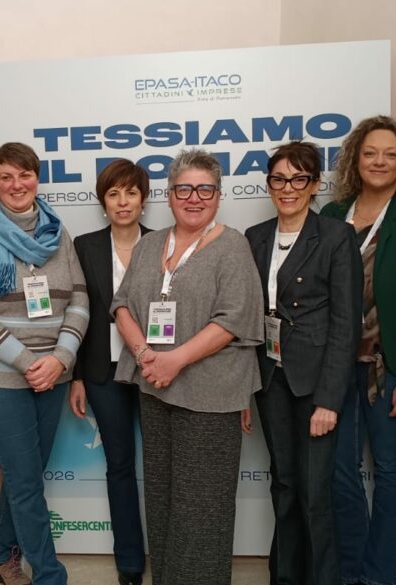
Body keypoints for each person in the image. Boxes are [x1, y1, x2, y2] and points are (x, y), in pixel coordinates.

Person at [112, 148, 263, 585]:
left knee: (202, 510)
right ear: (169, 194)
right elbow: (121, 305)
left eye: (205, 189)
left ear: (218, 195)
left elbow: (234, 319)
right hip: (155, 389)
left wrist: (175, 360)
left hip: (210, 397)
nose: (194, 198)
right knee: (162, 501)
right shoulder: (149, 244)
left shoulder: (233, 246)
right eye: (184, 189)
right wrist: (145, 356)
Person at [0, 142, 89, 585]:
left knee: (24, 474)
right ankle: (49, 575)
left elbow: (80, 299)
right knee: (25, 479)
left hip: (53, 373)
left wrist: (61, 358)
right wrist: (29, 361)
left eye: (25, 175)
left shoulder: (56, 231)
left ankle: (1, 555)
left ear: (37, 179)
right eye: (6, 176)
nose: (16, 184)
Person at [246, 141, 362, 585]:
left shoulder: (335, 236)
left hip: (315, 384)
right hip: (270, 378)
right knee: (285, 486)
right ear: (269, 184)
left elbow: (346, 323)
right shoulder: (255, 237)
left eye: (299, 179)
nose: (288, 188)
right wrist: (243, 388)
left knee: (315, 495)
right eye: (279, 179)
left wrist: (329, 400)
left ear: (314, 185)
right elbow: (246, 319)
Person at [321, 116, 396, 585]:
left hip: (390, 369)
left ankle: (380, 576)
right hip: (335, 369)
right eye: (370, 153)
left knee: (389, 472)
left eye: (390, 154)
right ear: (355, 159)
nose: (379, 162)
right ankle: (351, 573)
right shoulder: (331, 215)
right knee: (340, 472)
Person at [68, 159, 151, 585]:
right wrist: (78, 376)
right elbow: (77, 314)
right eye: (113, 194)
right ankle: (130, 562)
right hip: (103, 372)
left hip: (154, 370)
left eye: (131, 193)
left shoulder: (163, 243)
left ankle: (170, 551)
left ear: (143, 200)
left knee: (161, 467)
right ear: (103, 202)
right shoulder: (84, 246)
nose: (123, 202)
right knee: (119, 465)